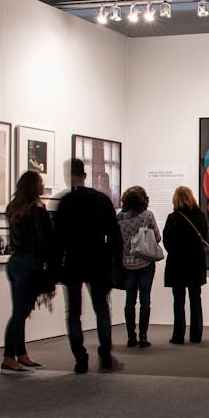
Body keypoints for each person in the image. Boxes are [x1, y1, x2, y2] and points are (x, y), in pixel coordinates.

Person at [54, 159, 123, 373]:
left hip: (73, 262)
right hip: (97, 261)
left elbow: (57, 239)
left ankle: (80, 358)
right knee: (101, 308)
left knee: (73, 313)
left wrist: (56, 267)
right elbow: (114, 236)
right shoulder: (101, 200)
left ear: (68, 176)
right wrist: (111, 261)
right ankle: (105, 354)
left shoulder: (64, 203)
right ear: (84, 175)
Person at [1, 171, 55, 374]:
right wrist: (50, 264)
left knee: (20, 311)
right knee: (20, 313)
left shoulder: (13, 207)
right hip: (30, 264)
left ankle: (21, 354)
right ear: (34, 186)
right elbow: (44, 240)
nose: (43, 185)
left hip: (15, 263)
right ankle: (8, 356)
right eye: (41, 182)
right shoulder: (37, 209)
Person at [162, 186, 208, 345]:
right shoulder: (200, 216)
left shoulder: (173, 218)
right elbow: (205, 237)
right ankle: (196, 335)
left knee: (178, 300)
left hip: (177, 264)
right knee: (195, 298)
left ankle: (178, 336)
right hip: (195, 263)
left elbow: (166, 241)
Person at [117, 186, 162, 349]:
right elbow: (157, 237)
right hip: (145, 263)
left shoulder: (120, 217)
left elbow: (117, 241)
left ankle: (131, 337)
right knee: (145, 299)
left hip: (127, 264)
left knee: (130, 300)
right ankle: (143, 336)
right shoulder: (147, 216)